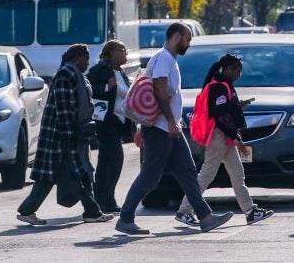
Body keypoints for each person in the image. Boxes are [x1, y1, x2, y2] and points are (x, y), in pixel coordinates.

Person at [115, 23, 234, 236]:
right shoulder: (164, 59)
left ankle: (205, 217)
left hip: (169, 128)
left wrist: (164, 123)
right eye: (187, 39)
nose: (188, 43)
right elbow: (159, 91)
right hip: (162, 128)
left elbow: (158, 93)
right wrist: (169, 121)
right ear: (176, 36)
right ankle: (125, 218)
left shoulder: (167, 59)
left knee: (188, 172)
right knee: (150, 176)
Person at [16, 44, 111, 226]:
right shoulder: (65, 74)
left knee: (71, 174)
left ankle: (27, 211)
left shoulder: (76, 75)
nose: (88, 63)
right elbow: (64, 109)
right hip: (59, 137)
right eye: (86, 59)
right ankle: (92, 211)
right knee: (73, 175)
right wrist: (69, 138)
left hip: (71, 136)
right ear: (77, 58)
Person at [176, 54, 274, 226]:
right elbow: (221, 117)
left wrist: (239, 105)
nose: (239, 74)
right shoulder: (219, 87)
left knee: (237, 174)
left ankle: (250, 211)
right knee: (207, 174)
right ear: (228, 69)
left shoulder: (224, 85)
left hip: (224, 137)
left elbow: (225, 108)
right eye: (237, 70)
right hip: (219, 136)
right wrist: (238, 140)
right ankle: (184, 210)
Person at [88, 39, 133, 213]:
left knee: (105, 162)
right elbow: (89, 87)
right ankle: (107, 198)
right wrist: (107, 86)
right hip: (105, 122)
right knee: (116, 159)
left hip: (118, 122)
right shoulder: (100, 70)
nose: (125, 53)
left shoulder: (120, 71)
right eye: (122, 50)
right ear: (113, 53)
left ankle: (99, 199)